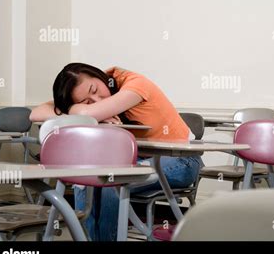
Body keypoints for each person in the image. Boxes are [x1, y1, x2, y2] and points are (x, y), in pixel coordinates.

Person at [30, 62, 201, 240]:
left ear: (97, 75)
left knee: (109, 183)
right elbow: (35, 113)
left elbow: (92, 112)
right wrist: (81, 113)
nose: (98, 99)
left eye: (95, 90)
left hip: (183, 161)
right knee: (83, 182)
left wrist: (79, 110)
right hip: (140, 161)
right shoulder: (85, 86)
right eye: (87, 101)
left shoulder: (134, 84)